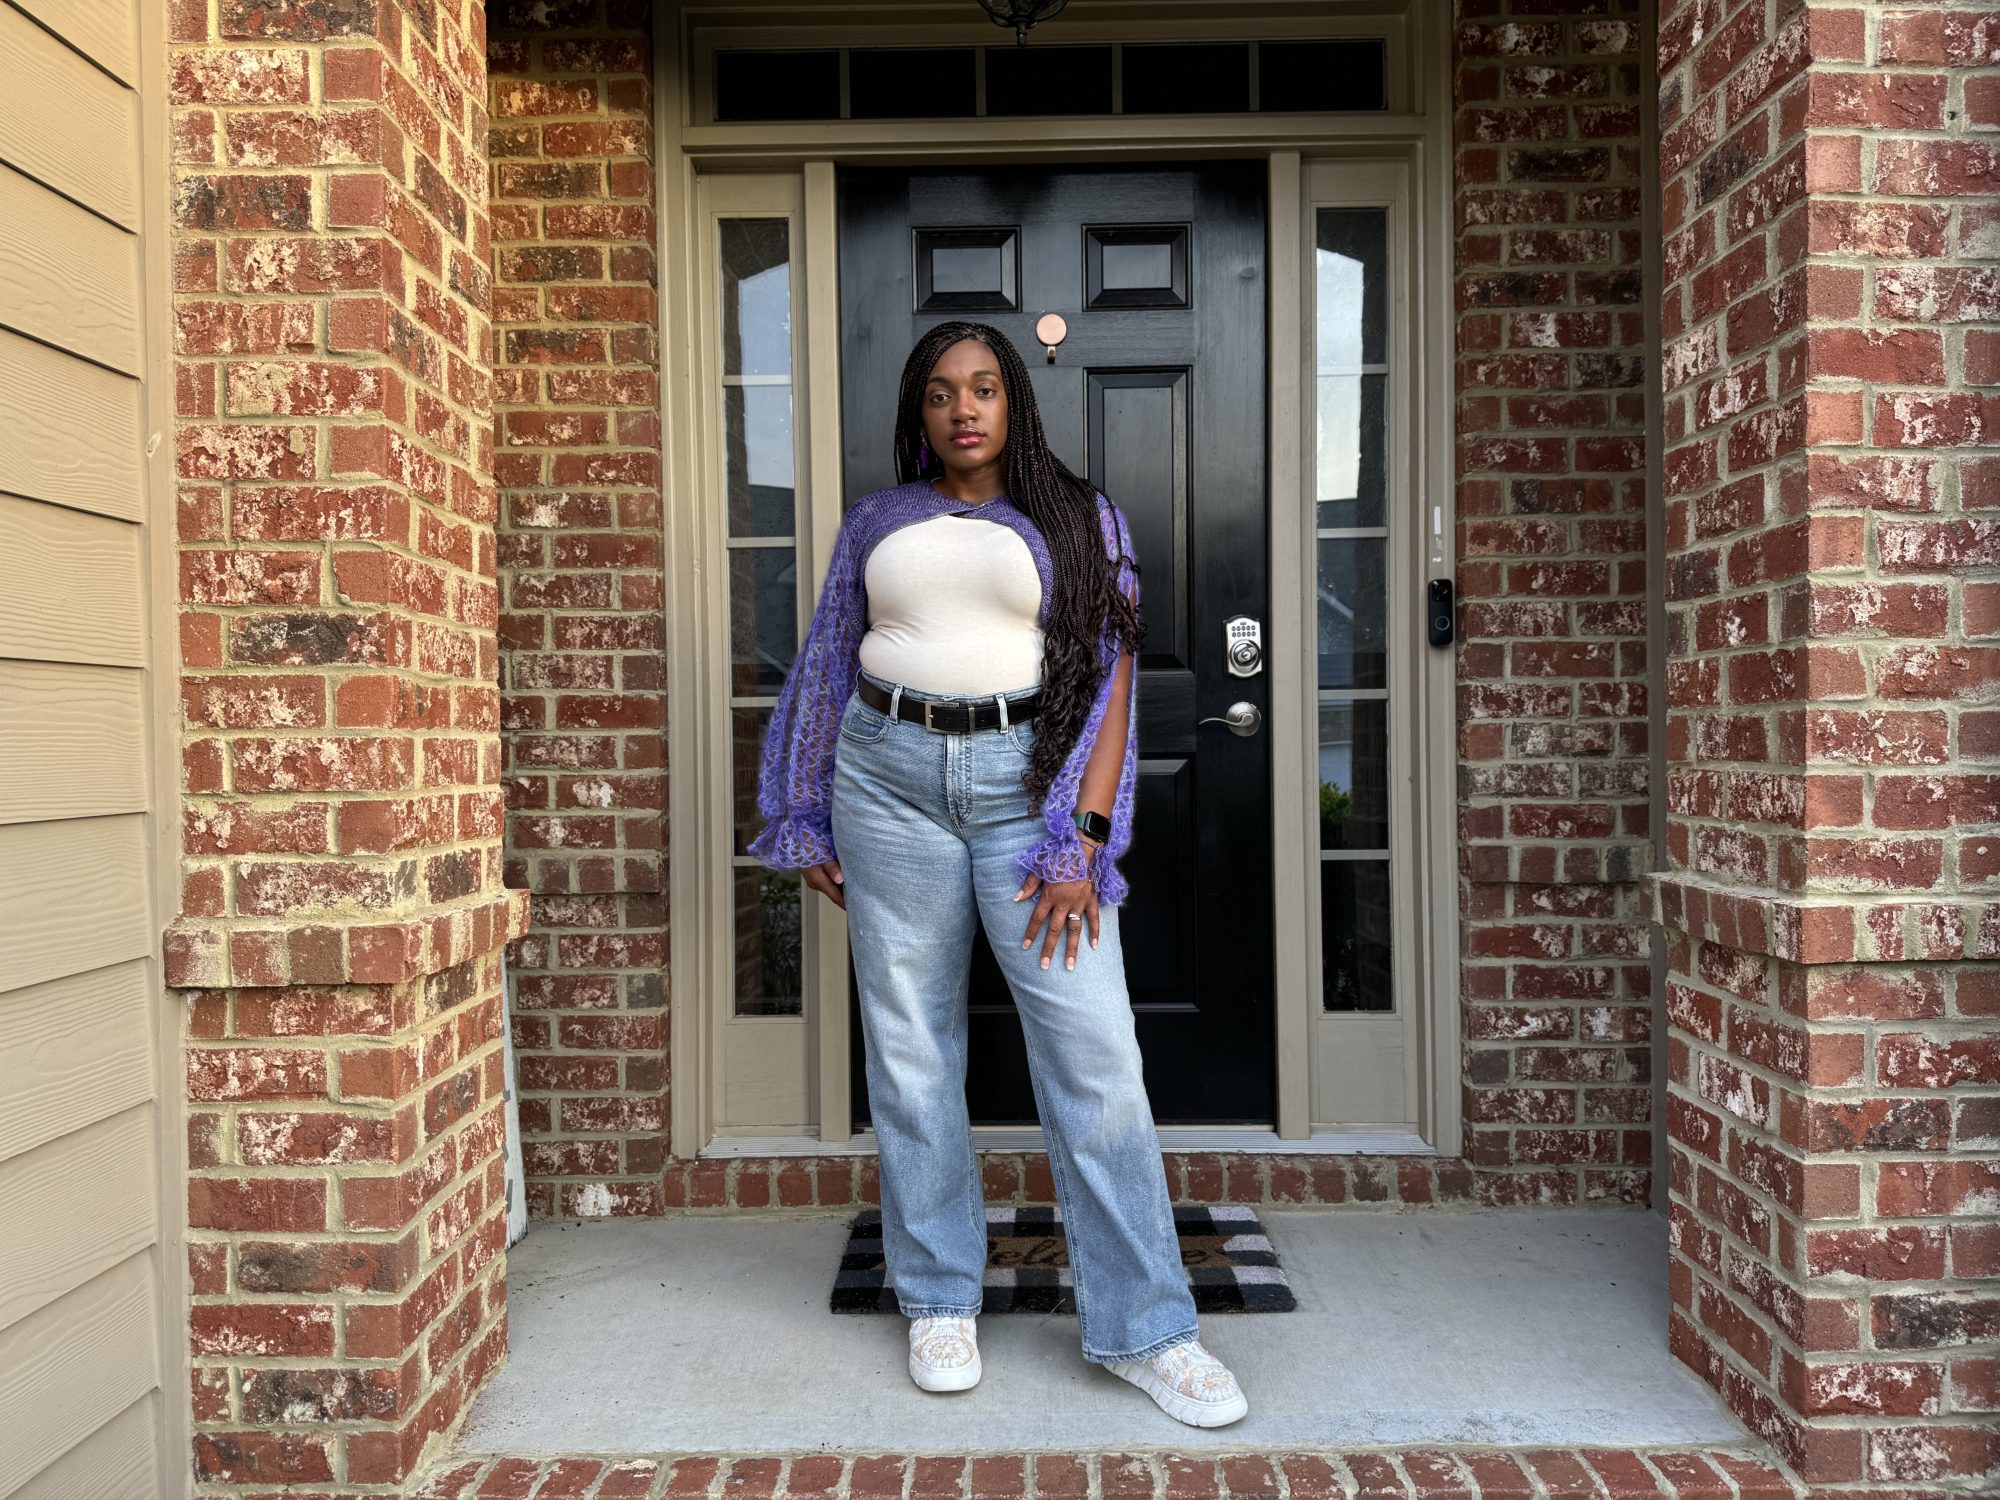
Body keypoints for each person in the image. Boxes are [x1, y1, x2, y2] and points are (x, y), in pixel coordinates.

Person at [748, 321, 1249, 1428]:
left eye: (981, 388)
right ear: (917, 413)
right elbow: (832, 658)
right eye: (938, 393)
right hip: (883, 780)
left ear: (1013, 402)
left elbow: (1111, 682)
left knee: (1092, 1054)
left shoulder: (1080, 518)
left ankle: (1148, 1330)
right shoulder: (877, 519)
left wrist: (1082, 832)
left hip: (1027, 785)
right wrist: (805, 812)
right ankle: (936, 1296)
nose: (961, 408)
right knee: (912, 1047)